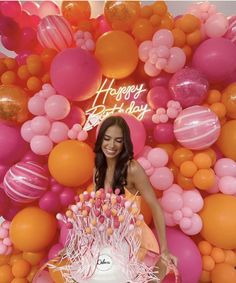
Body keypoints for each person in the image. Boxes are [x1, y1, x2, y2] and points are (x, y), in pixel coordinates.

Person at [94, 115, 177, 281]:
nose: (111, 145)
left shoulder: (132, 169)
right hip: (110, 242)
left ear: (125, 143)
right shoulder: (98, 167)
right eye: (107, 138)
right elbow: (98, 209)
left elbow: (155, 206)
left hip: (138, 244)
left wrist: (165, 249)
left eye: (118, 140)